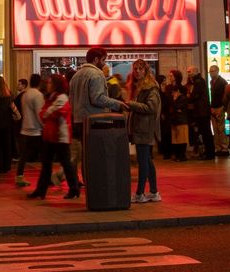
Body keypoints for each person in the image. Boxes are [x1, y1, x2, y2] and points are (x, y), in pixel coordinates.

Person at [69, 47, 126, 179]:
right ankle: (95, 183)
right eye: (103, 60)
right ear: (96, 59)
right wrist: (117, 103)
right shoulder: (96, 74)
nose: (104, 63)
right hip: (95, 121)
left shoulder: (76, 76)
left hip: (78, 120)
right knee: (96, 155)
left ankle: (87, 182)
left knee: (85, 155)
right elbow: (97, 98)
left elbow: (71, 100)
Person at [28, 74, 80, 200]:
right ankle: (41, 190)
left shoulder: (61, 98)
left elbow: (50, 113)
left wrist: (47, 112)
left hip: (60, 136)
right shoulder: (52, 97)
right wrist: (47, 112)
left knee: (64, 163)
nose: (48, 85)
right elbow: (44, 114)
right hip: (51, 135)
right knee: (48, 164)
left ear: (56, 84)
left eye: (50, 83)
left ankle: (74, 189)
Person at [127, 59, 162, 203]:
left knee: (143, 162)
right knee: (147, 160)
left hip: (144, 128)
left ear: (146, 71)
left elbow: (151, 108)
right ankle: (154, 192)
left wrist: (132, 105)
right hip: (140, 128)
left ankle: (140, 193)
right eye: (135, 69)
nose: (137, 71)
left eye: (140, 69)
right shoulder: (137, 87)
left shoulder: (150, 88)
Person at [15, 74, 44, 187]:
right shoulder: (38, 95)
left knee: (24, 155)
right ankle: (47, 176)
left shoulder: (25, 95)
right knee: (44, 155)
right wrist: (44, 126)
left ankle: (19, 176)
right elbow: (39, 113)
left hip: (25, 128)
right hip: (36, 129)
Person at [186, 66, 215, 160]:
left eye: (189, 71)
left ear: (195, 71)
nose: (188, 73)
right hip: (202, 111)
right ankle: (209, 152)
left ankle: (210, 153)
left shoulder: (198, 82)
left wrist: (188, 97)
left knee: (206, 132)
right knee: (206, 133)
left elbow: (194, 95)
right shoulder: (198, 81)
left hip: (202, 112)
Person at [209, 65, 230, 157]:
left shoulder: (222, 82)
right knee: (215, 129)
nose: (211, 73)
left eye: (213, 71)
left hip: (220, 107)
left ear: (218, 71)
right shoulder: (211, 82)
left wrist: (222, 108)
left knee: (221, 129)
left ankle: (224, 148)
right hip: (213, 107)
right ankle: (218, 148)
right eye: (210, 71)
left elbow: (225, 97)